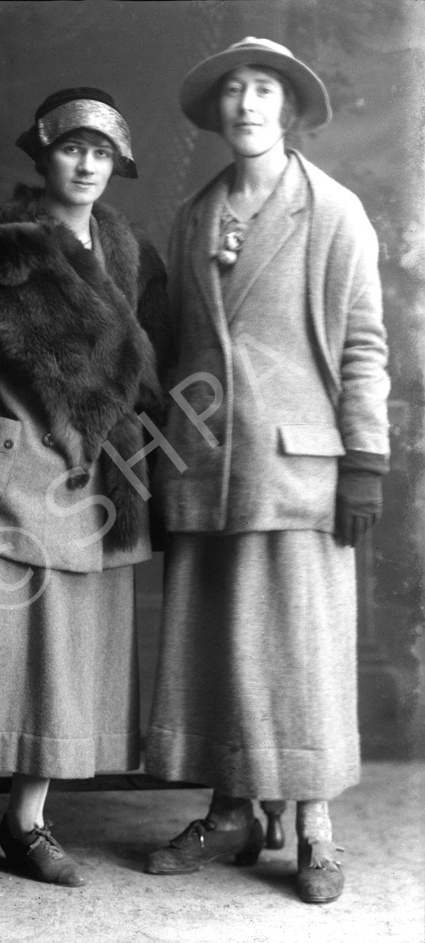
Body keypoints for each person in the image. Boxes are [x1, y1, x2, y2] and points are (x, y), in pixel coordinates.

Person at [0, 86, 170, 907]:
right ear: (42, 155)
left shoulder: (129, 254)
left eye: (102, 153)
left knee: (62, 663)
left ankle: (30, 822)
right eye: (71, 147)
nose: (86, 164)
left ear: (116, 165)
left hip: (88, 486)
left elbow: (146, 382)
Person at [144, 38, 389, 903]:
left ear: (288, 108)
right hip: (208, 465)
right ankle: (234, 809)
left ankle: (314, 828)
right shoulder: (195, 213)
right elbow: (178, 351)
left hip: (300, 468)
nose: (247, 105)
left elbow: (363, 345)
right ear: (217, 111)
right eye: (234, 92)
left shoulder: (334, 212)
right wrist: (162, 459)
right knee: (222, 646)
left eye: (264, 90)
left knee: (299, 649)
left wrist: (363, 459)